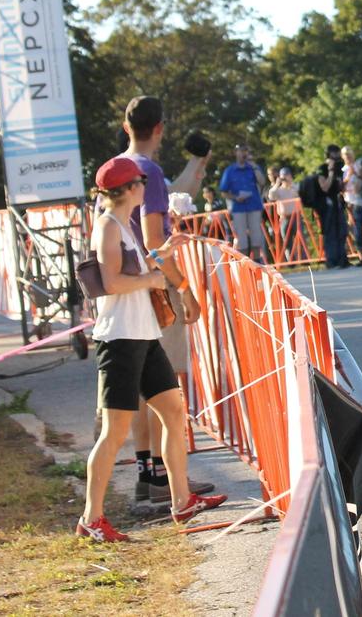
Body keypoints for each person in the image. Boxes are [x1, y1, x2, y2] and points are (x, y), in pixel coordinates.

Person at [78, 157, 226, 541]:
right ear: (128, 188)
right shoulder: (108, 227)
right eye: (141, 181)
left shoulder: (124, 225)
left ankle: (181, 501)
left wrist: (164, 257)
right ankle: (91, 518)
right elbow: (111, 283)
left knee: (174, 411)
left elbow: (142, 267)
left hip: (142, 335)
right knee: (114, 432)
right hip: (120, 339)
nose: (146, 186)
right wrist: (154, 277)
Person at [120, 96, 213, 511]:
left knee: (142, 385)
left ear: (127, 128)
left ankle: (149, 473)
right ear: (159, 128)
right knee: (164, 387)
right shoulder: (150, 171)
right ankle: (167, 475)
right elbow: (154, 240)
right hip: (156, 288)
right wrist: (185, 286)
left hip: (124, 288)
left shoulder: (115, 170)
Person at [218, 144, 268, 263]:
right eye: (241, 151)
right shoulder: (230, 171)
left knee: (256, 235)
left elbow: (262, 182)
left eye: (245, 151)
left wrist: (254, 166)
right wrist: (235, 197)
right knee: (241, 238)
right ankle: (244, 263)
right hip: (238, 207)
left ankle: (257, 261)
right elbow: (223, 191)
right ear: (236, 152)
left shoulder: (253, 168)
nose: (243, 154)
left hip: (254, 205)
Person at [315, 145, 349, 268]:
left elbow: (341, 187)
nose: (337, 157)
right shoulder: (322, 168)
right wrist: (330, 172)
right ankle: (331, 260)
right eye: (335, 154)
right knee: (330, 233)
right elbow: (324, 187)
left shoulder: (339, 169)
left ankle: (342, 259)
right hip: (326, 205)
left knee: (342, 231)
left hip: (337, 202)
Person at [267, 167, 303, 262]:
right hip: (284, 218)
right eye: (283, 176)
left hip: (296, 216)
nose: (285, 178)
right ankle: (291, 261)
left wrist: (290, 184)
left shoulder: (295, 187)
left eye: (286, 176)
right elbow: (271, 195)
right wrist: (277, 183)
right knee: (287, 241)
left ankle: (303, 259)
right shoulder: (278, 190)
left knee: (301, 239)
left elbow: (299, 193)